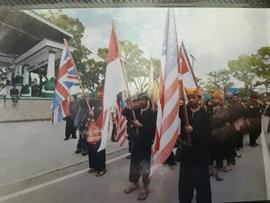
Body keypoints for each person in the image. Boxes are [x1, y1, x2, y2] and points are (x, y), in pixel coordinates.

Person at [178, 87, 212, 203]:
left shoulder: (205, 114)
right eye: (189, 98)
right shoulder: (183, 111)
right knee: (185, 186)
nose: (191, 100)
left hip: (200, 155)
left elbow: (207, 135)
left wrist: (193, 131)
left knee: (202, 185)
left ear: (199, 99)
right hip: (186, 155)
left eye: (193, 97)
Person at [124, 93, 156, 201]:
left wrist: (141, 125)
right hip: (136, 141)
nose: (139, 102)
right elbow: (125, 114)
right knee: (134, 162)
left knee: (144, 164)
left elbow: (152, 131)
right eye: (138, 100)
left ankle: (145, 188)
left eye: (142, 100)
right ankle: (134, 183)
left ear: (147, 100)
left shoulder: (152, 113)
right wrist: (128, 102)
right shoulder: (136, 110)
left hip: (145, 143)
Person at [87, 87, 107, 177]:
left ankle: (102, 168)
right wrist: (84, 97)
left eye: (101, 91)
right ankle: (94, 166)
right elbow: (84, 104)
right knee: (91, 148)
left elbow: (104, 117)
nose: (99, 93)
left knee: (99, 149)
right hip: (92, 129)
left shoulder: (105, 103)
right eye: (98, 91)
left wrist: (93, 116)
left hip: (100, 129)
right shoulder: (94, 102)